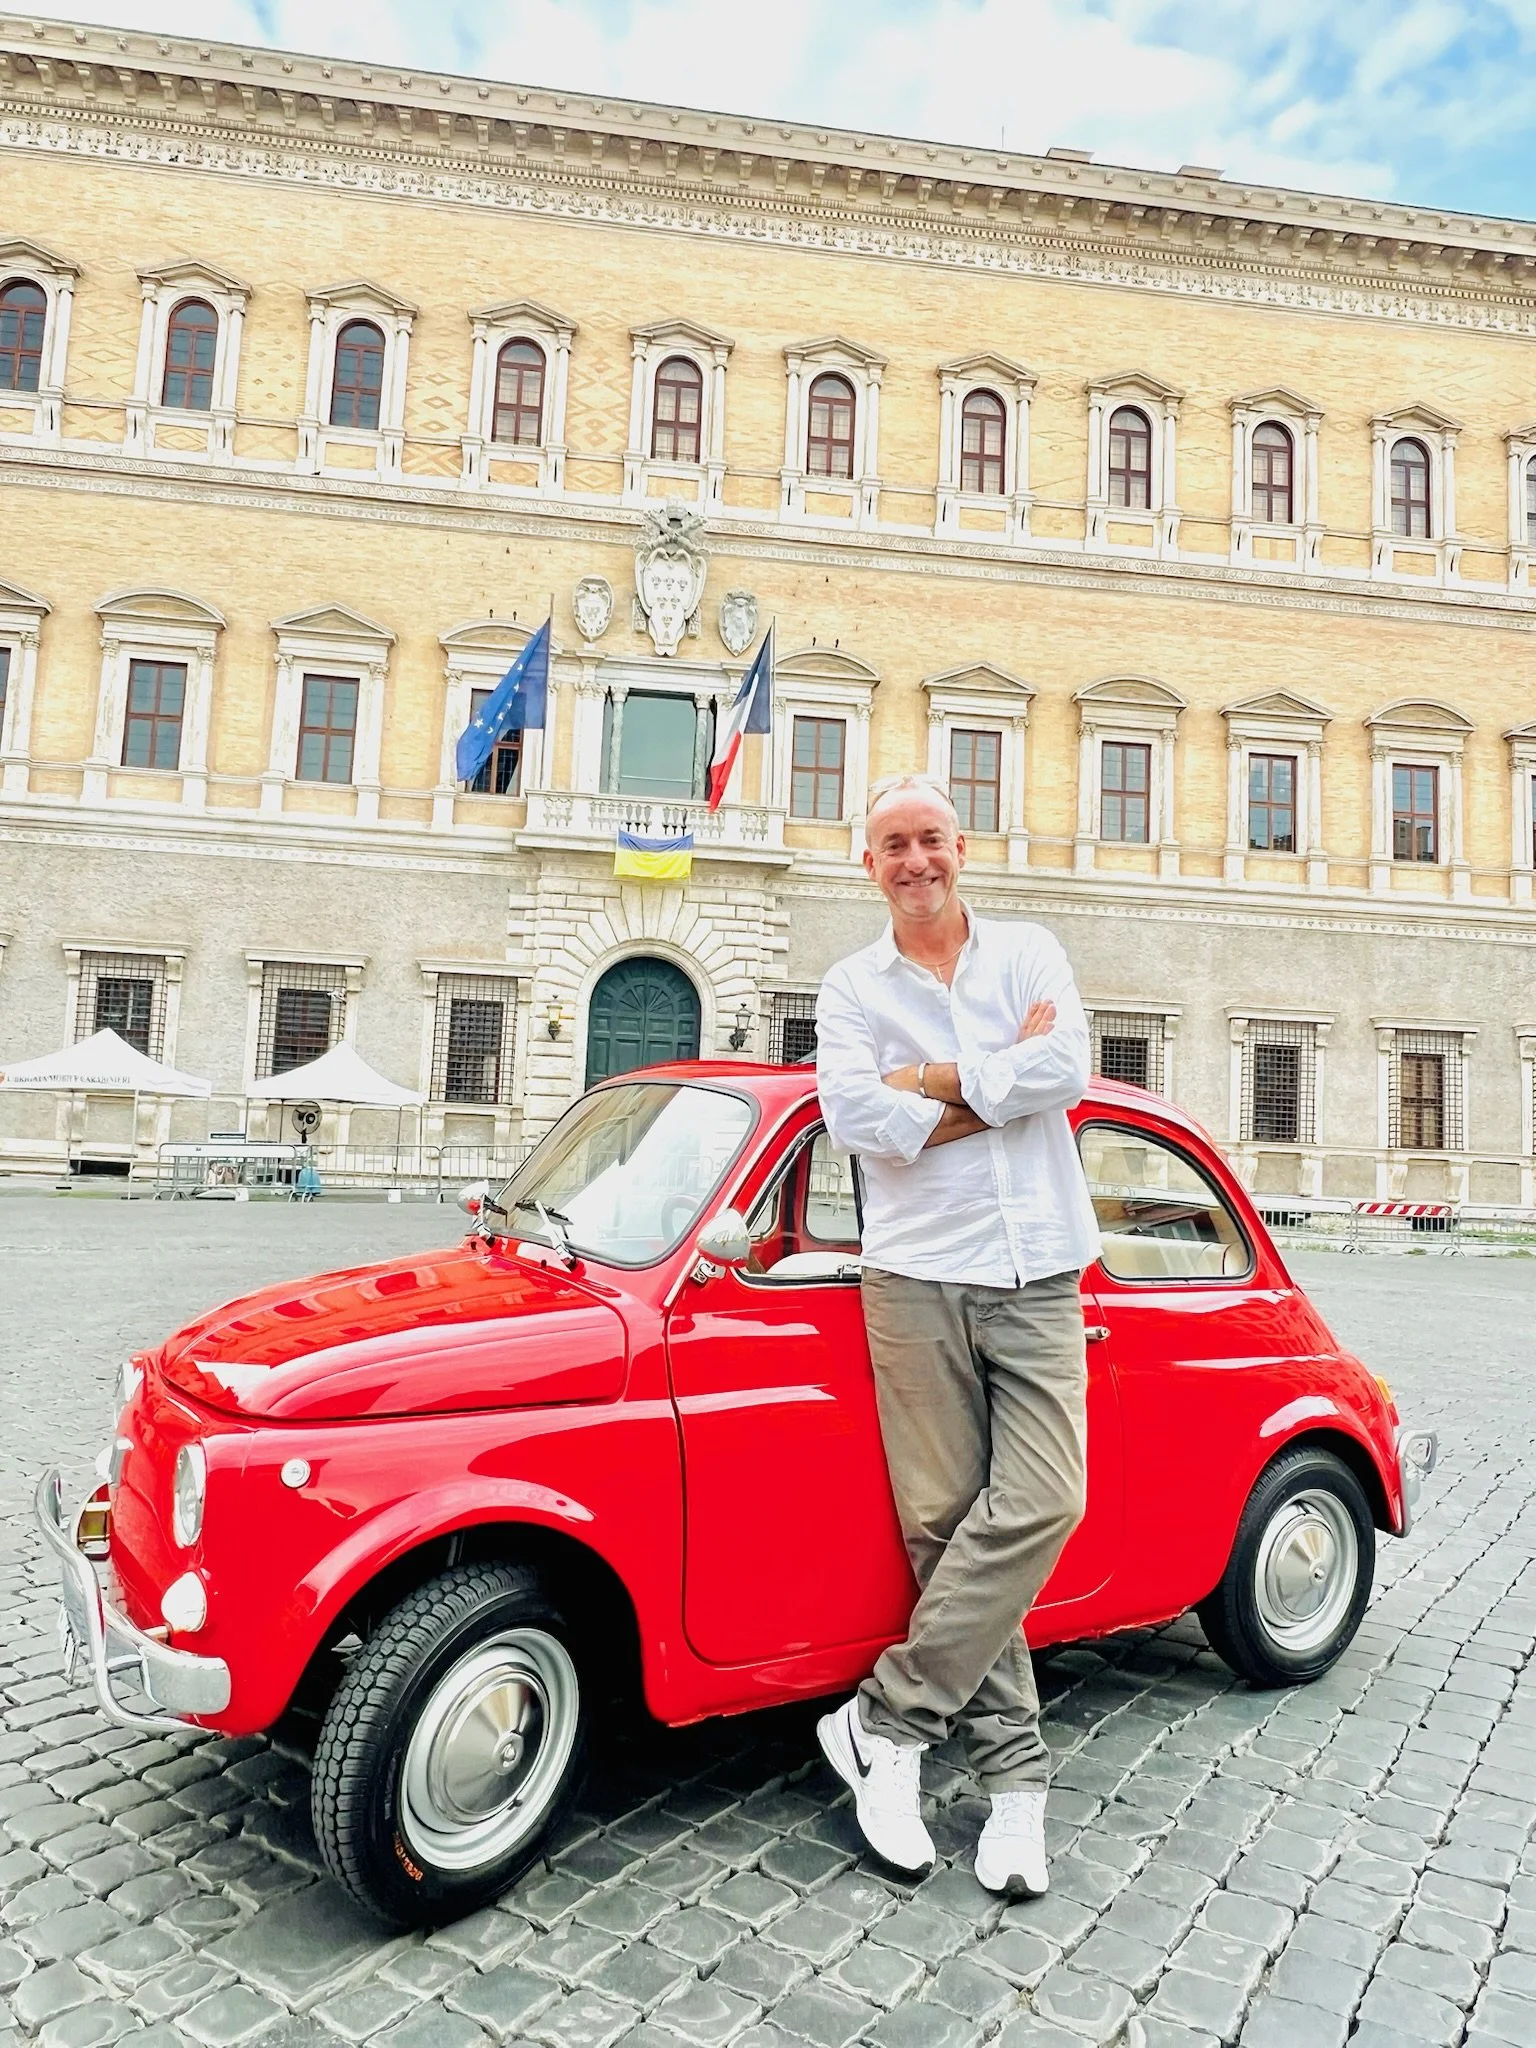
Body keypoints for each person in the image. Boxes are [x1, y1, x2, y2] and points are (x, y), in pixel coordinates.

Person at [813, 771, 1101, 1896]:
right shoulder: (848, 984)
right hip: (917, 1270)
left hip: (1037, 1268)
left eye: (930, 837)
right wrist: (998, 1085)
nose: (915, 858)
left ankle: (886, 1718)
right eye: (894, 844)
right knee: (941, 1525)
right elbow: (853, 1115)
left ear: (962, 845)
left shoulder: (1029, 952)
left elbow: (1065, 1068)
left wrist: (928, 1079)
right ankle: (1016, 1789)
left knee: (1044, 1499)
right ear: (868, 864)